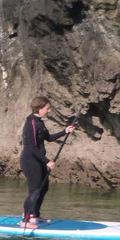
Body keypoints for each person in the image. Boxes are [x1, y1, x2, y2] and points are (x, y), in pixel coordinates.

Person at [20, 96, 75, 227]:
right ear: (39, 108)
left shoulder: (39, 122)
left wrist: (65, 131)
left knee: (43, 188)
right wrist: (47, 161)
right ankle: (25, 220)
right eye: (47, 108)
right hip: (30, 161)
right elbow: (32, 147)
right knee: (34, 191)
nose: (49, 111)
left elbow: (49, 138)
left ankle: (35, 216)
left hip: (38, 160)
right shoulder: (31, 123)